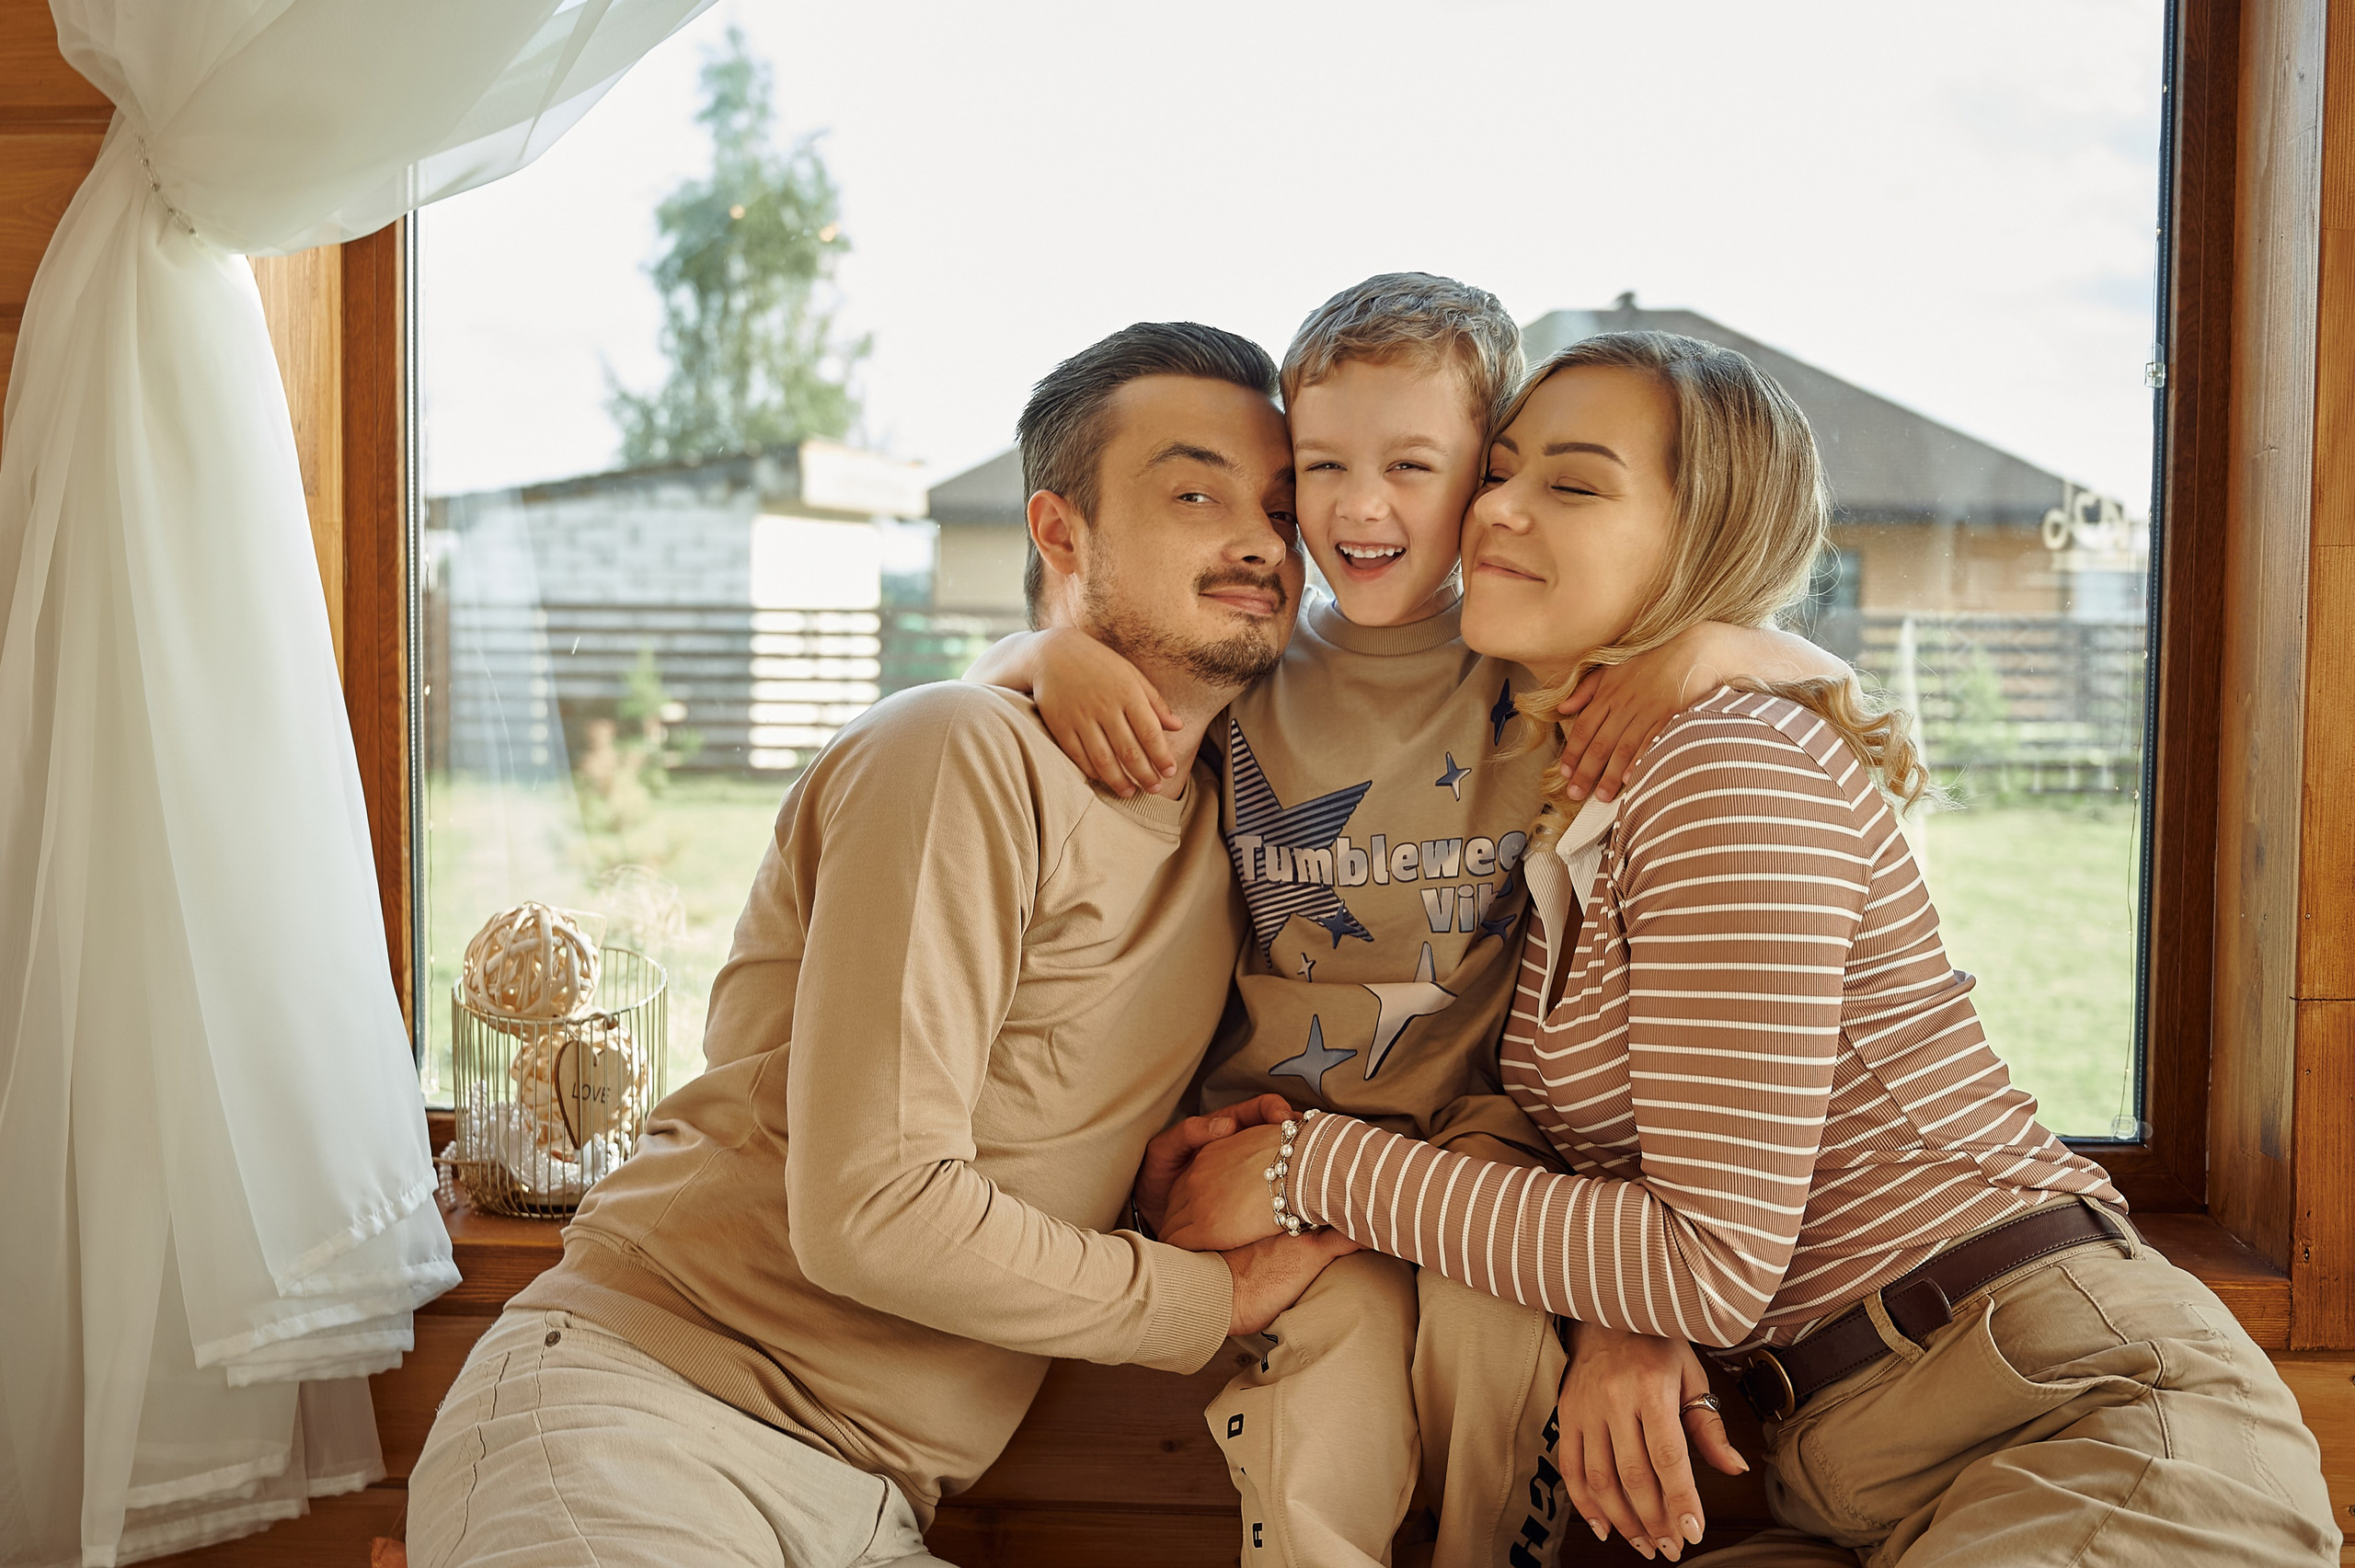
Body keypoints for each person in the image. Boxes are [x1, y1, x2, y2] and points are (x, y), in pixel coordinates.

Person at [1165, 330, 2343, 1566]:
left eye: (1570, 484)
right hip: (1858, 1477)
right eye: (1499, 470)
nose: (1495, 508)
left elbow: (1710, 1264)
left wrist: (1313, 1168)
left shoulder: (1728, 765)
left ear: (1702, 538)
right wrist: (1622, 1310)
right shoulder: (1585, 800)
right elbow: (1688, 1185)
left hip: (2078, 1427)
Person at [406, 322, 1363, 1568]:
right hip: (650, 1422)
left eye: (1284, 507)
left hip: (876, 1501)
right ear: (1062, 534)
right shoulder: (956, 752)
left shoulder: (1239, 812)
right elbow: (871, 1215)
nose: (1257, 537)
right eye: (1195, 492)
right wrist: (1209, 1298)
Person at [974, 275, 1844, 1567]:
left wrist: (1697, 649)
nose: (1359, 506)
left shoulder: (1534, 666)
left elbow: (1823, 678)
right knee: (1328, 1396)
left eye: (1412, 465)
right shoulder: (1257, 660)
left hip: (1483, 1155)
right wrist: (1048, 653)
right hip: (1275, 1152)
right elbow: (988, 689)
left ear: (1482, 479)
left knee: (1499, 1360)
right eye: (1321, 464)